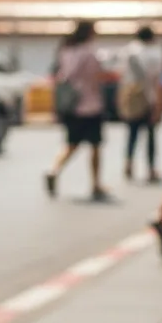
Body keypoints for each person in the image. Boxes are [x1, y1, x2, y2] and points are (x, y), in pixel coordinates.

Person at [46, 21, 107, 201]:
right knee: (95, 146)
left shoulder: (65, 51)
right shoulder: (89, 53)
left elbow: (60, 76)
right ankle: (95, 183)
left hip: (72, 106)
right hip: (91, 104)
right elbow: (98, 75)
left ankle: (53, 170)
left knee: (71, 144)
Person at [118, 26, 162, 183]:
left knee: (132, 133)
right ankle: (151, 169)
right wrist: (160, 103)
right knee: (151, 135)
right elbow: (159, 79)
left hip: (133, 97)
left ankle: (128, 163)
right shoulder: (156, 53)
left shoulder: (129, 51)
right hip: (150, 97)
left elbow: (122, 76)